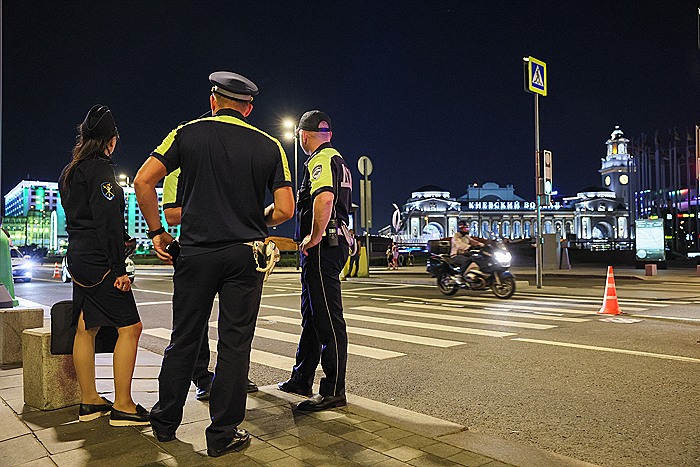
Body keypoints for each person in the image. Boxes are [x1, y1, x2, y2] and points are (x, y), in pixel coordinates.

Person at [133, 71, 294, 457]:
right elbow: (286, 209)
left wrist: (157, 233)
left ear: (213, 102)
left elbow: (142, 181)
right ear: (248, 109)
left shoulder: (186, 133)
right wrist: (257, 218)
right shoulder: (270, 145)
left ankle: (165, 423)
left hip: (196, 253)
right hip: (244, 255)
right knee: (235, 344)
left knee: (184, 338)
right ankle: (222, 433)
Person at [58, 105, 149, 426]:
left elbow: (82, 218)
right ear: (111, 140)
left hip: (78, 257)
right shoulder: (100, 170)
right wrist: (119, 269)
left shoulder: (70, 171)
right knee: (131, 328)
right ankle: (123, 405)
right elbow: (107, 221)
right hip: (100, 261)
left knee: (86, 327)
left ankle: (90, 400)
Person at [161, 168, 258, 400]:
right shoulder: (177, 171)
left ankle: (232, 377)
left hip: (234, 249)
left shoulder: (226, 166)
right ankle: (202, 378)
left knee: (235, 327)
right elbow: (171, 215)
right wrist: (218, 210)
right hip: (197, 250)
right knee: (193, 325)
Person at [277, 110, 352, 411]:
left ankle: (334, 390)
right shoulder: (338, 159)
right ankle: (301, 378)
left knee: (328, 318)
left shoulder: (321, 159)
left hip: (324, 247)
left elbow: (325, 198)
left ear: (304, 136)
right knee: (312, 315)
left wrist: (314, 236)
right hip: (331, 244)